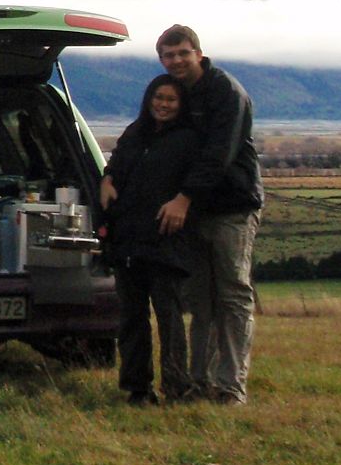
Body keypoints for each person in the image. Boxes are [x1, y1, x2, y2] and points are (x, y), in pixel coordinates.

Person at [153, 24, 263, 405]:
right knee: (201, 300)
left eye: (183, 53)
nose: (177, 61)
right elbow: (149, 132)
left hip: (232, 206)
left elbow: (220, 153)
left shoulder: (225, 91)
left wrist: (183, 198)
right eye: (169, 55)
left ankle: (231, 385)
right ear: (161, 60)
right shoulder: (175, 92)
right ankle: (200, 381)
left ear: (198, 53)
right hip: (196, 212)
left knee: (233, 294)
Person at [100, 75, 197, 405]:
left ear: (181, 105)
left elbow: (197, 183)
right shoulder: (134, 132)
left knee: (169, 319)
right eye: (159, 97)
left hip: (166, 240)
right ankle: (137, 388)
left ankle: (176, 387)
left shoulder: (189, 139)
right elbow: (115, 165)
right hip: (128, 238)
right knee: (131, 318)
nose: (164, 104)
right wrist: (107, 179)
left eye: (171, 99)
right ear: (148, 99)